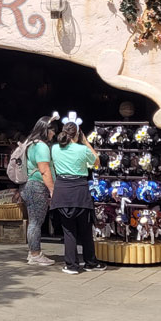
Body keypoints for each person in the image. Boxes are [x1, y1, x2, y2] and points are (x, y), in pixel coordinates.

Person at [50, 116, 105, 274]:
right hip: (80, 190)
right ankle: (90, 262)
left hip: (62, 190)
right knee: (86, 229)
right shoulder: (82, 149)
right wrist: (86, 142)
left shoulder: (54, 148)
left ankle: (71, 265)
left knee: (69, 230)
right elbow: (97, 161)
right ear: (78, 134)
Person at [22, 115, 60, 266]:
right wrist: (52, 190)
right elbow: (44, 171)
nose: (54, 134)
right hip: (37, 186)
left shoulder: (31, 143)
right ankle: (35, 254)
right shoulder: (42, 146)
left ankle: (33, 252)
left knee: (34, 221)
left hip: (29, 186)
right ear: (46, 130)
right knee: (36, 222)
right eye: (52, 130)